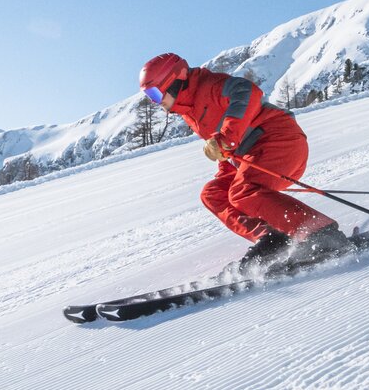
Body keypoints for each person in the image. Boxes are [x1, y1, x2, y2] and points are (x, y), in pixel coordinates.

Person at [138, 52, 351, 271]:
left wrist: (226, 140)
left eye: (155, 94)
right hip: (252, 154)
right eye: (149, 97)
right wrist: (224, 158)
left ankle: (322, 234)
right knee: (214, 193)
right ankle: (271, 238)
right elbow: (227, 151)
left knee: (243, 191)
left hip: (279, 140)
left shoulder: (209, 85)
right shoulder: (189, 111)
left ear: (174, 81)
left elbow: (248, 92)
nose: (156, 102)